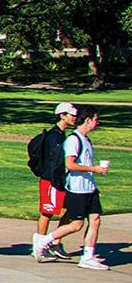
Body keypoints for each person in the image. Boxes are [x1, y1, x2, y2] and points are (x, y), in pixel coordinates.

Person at [46, 106, 110, 270]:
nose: (98, 123)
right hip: (77, 188)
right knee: (76, 224)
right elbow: (70, 164)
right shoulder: (73, 140)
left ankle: (88, 256)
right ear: (88, 120)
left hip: (89, 188)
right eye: (96, 119)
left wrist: (94, 183)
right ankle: (44, 241)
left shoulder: (86, 139)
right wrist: (93, 169)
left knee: (95, 219)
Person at [32, 103, 81, 261]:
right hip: (51, 180)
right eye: (72, 115)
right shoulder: (54, 137)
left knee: (73, 209)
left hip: (60, 180)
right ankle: (39, 246)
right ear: (62, 116)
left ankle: (55, 242)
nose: (75, 118)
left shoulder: (62, 135)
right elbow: (54, 163)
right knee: (47, 213)